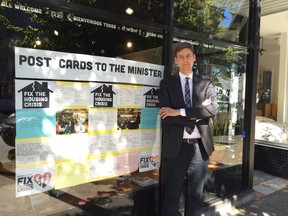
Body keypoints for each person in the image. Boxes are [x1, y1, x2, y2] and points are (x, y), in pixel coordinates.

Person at [159, 42, 219, 216]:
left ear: (194, 58)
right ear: (175, 60)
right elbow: (166, 117)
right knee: (171, 197)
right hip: (176, 149)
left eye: (188, 56)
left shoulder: (206, 82)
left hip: (200, 149)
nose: (185, 60)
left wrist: (178, 111)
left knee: (195, 197)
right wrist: (199, 112)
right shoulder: (167, 84)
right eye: (181, 57)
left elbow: (213, 110)